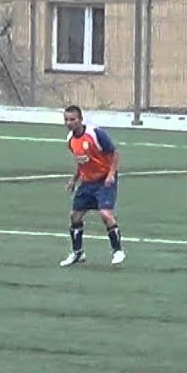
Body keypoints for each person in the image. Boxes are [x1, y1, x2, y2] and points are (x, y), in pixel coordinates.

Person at [60, 105, 125, 266]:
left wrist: (111, 174)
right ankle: (77, 253)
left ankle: (117, 251)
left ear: (81, 119)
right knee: (75, 216)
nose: (69, 123)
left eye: (73, 119)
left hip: (104, 180)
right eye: (66, 120)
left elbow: (115, 153)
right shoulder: (70, 140)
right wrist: (74, 180)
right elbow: (81, 161)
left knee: (105, 214)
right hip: (87, 182)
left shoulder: (95, 134)